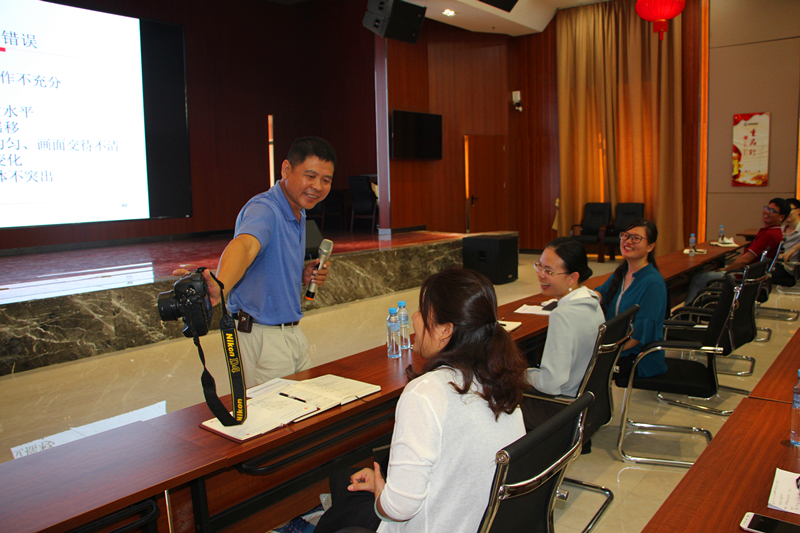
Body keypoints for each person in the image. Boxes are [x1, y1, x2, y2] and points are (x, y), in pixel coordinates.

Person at [314, 268, 528, 533]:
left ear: (445, 330)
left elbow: (398, 509)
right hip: (479, 519)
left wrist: (383, 493)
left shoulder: (425, 393)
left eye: (422, 312)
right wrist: (390, 485)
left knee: (343, 510)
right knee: (343, 482)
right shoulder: (499, 377)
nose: (414, 318)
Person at [173, 136, 336, 387]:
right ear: (286, 169)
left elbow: (265, 262)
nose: (317, 186)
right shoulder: (265, 209)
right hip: (263, 339)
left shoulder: (298, 210)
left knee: (304, 406)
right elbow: (246, 245)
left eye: (326, 180)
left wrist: (301, 273)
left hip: (290, 333)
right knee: (275, 411)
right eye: (310, 176)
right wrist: (221, 283)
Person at [521, 237, 605, 431]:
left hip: (559, 408)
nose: (540, 275)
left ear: (572, 277)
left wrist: (523, 374)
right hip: (586, 403)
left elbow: (550, 384)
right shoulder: (592, 300)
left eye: (548, 271)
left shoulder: (562, 316)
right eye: (539, 266)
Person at [594, 219, 667, 379]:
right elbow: (602, 293)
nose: (628, 241)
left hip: (638, 357)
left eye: (636, 238)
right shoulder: (623, 272)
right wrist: (582, 299)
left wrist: (602, 350)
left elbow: (637, 338)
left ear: (650, 246)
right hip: (616, 345)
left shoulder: (652, 283)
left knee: (580, 365)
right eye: (626, 236)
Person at [684, 198, 788, 304]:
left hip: (740, 276)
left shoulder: (769, 235)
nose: (766, 212)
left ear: (781, 217)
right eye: (767, 208)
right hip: (748, 275)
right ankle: (701, 306)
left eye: (772, 211)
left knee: (699, 279)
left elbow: (744, 260)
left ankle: (687, 311)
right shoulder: (775, 232)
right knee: (707, 274)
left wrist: (726, 269)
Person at [772, 198, 800, 286]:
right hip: (775, 263)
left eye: (789, 210)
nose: (786, 213)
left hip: (787, 267)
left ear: (798, 211)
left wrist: (794, 248)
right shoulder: (780, 230)